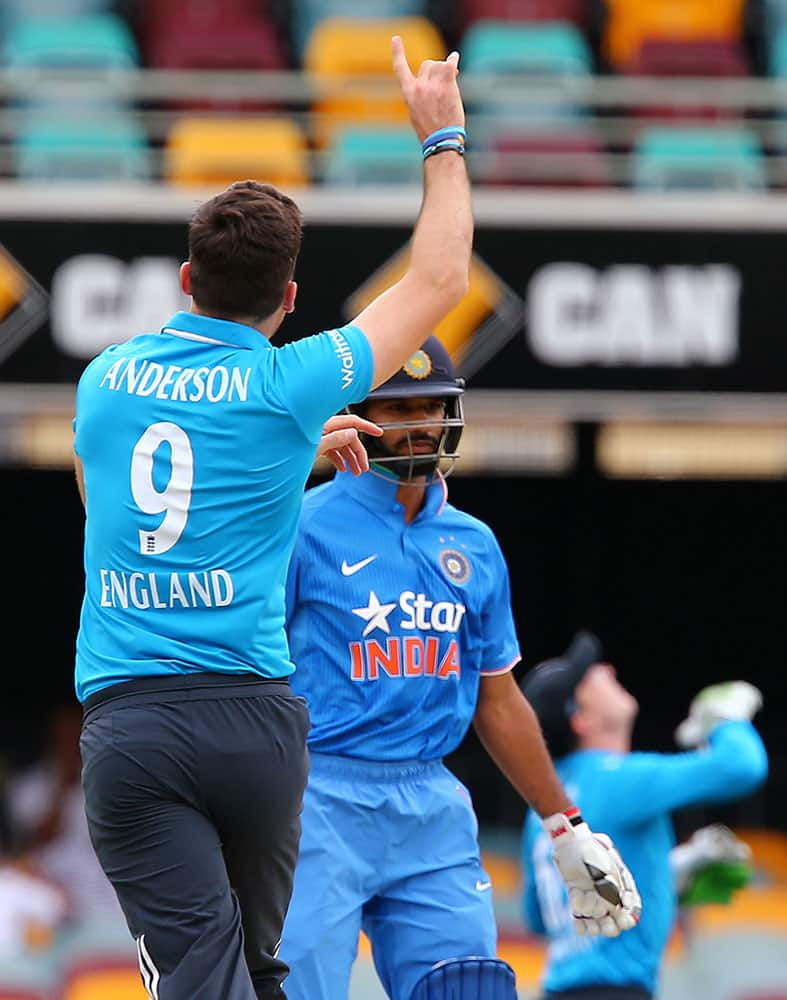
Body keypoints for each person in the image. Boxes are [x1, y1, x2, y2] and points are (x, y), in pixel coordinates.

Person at [73, 36, 477, 1000]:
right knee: (261, 974)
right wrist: (441, 136)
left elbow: (120, 505)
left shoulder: (101, 380)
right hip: (257, 727)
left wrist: (279, 466)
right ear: (289, 298)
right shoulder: (288, 382)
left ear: (184, 279)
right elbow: (439, 284)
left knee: (199, 977)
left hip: (133, 722)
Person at [279, 339, 641, 1000]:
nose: (419, 424)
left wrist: (565, 826)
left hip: (429, 805)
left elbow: (496, 700)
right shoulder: (299, 527)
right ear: (355, 416)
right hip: (314, 796)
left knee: (468, 988)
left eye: (431, 406)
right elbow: (240, 673)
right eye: (398, 408)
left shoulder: (473, 543)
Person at [519, 631, 768, 1000]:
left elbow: (538, 916)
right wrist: (725, 719)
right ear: (581, 719)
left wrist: (659, 878)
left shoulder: (537, 809)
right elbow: (742, 766)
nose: (606, 669)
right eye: (589, 676)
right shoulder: (620, 778)